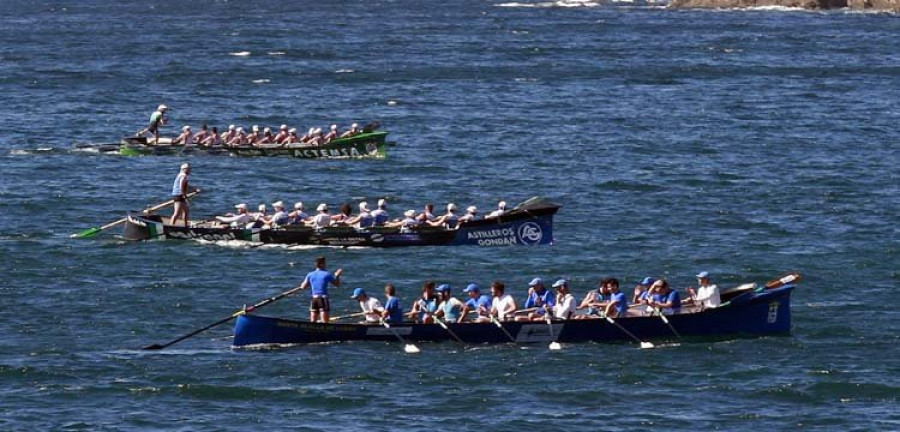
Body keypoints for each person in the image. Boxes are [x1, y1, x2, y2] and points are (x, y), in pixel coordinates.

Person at [299, 256, 343, 323]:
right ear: (322, 264)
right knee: (325, 322)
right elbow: (337, 284)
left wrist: (305, 283)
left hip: (314, 299)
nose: (325, 265)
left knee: (313, 321)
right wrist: (337, 276)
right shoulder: (326, 274)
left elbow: (303, 287)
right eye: (325, 263)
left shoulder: (310, 275)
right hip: (323, 298)